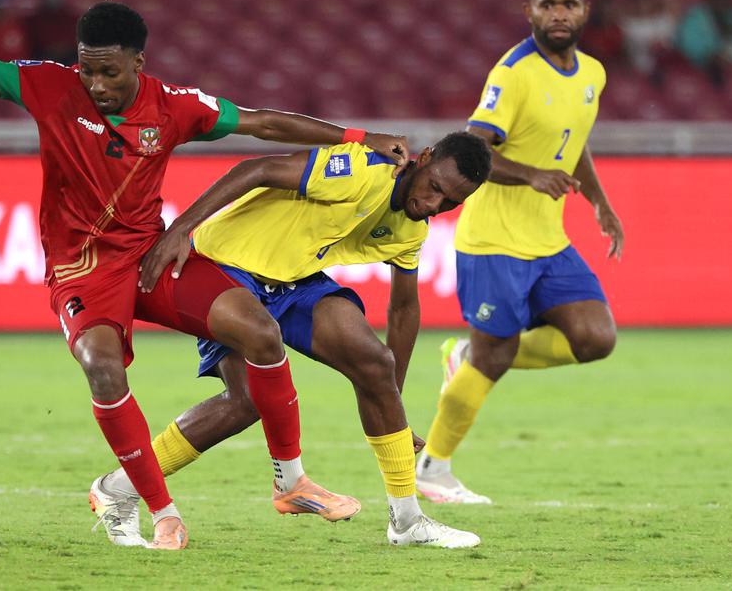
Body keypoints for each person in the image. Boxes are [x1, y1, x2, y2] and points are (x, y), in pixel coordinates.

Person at [0, 0, 410, 550]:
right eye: (88, 71)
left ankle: (291, 482)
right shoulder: (48, 85)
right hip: (81, 269)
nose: (97, 85)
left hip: (149, 256)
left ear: (139, 61)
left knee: (260, 330)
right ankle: (156, 510)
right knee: (102, 367)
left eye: (111, 72)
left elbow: (262, 123)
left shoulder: (175, 106)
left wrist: (362, 138)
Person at [91, 132, 492, 549]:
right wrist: (181, 229)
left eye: (449, 203)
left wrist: (394, 404)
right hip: (224, 270)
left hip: (293, 279)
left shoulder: (411, 231)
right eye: (435, 188)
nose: (432, 204)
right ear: (424, 158)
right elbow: (257, 169)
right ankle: (121, 485)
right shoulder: (362, 169)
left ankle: (407, 521)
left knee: (375, 364)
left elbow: (404, 310)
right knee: (245, 401)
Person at [415, 0, 623, 505]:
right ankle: (432, 469)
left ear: (585, 10)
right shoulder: (513, 72)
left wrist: (599, 201)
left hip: (548, 241)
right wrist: (530, 174)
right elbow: (472, 147)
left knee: (595, 337)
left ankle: (468, 357)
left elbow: (573, 142)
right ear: (528, 9)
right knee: (495, 356)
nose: (558, 13)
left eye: (568, 3)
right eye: (547, 4)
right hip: (493, 244)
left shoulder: (592, 74)